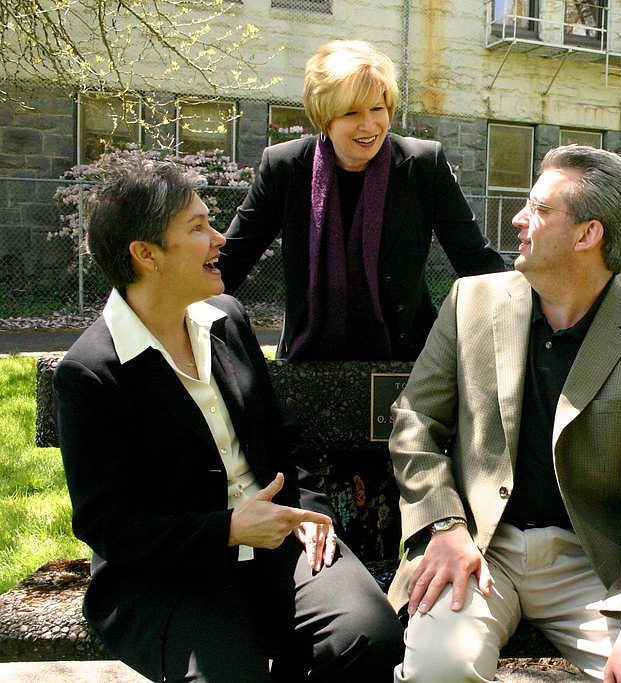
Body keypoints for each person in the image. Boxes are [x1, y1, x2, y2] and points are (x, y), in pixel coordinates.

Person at [53, 156, 405, 682]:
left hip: (276, 543)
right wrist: (229, 529)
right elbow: (111, 526)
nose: (220, 239)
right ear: (146, 254)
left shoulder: (226, 320)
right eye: (198, 228)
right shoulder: (92, 373)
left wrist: (308, 516)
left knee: (368, 637)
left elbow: (282, 440)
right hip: (171, 577)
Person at [387, 144, 621, 683]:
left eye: (538, 209)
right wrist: (443, 525)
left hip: (593, 566)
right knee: (440, 668)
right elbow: (416, 421)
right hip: (479, 547)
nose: (518, 218)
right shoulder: (472, 301)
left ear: (588, 235)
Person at [218, 39, 505, 362]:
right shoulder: (285, 167)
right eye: (351, 112)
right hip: (308, 359)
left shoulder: (423, 164)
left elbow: (477, 264)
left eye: (377, 109)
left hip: (407, 360)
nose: (368, 126)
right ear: (324, 117)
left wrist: (527, 313)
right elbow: (230, 261)